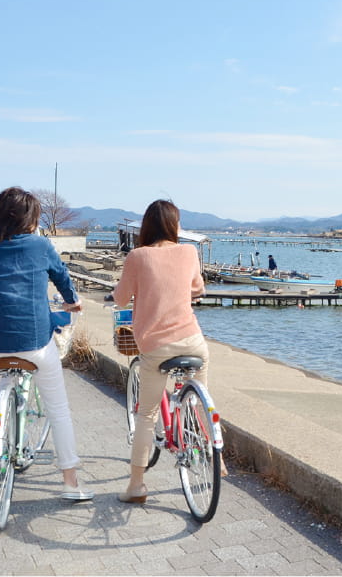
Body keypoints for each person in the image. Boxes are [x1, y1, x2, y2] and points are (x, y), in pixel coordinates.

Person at [0, 187, 93, 501]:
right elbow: (62, 278)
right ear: (32, 219)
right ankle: (70, 481)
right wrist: (73, 302)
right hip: (36, 342)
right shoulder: (40, 245)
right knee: (59, 409)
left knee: (6, 381)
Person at [112, 199, 215, 504]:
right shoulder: (189, 252)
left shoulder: (137, 256)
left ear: (146, 226)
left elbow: (120, 299)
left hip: (155, 347)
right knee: (200, 403)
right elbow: (198, 289)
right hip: (193, 340)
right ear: (174, 225)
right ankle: (216, 458)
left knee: (146, 414)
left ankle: (136, 486)